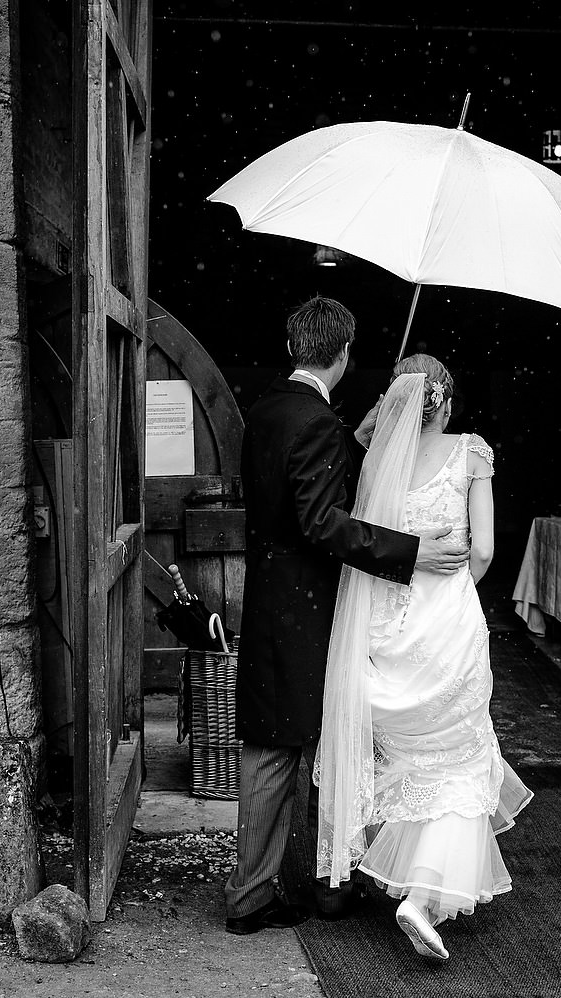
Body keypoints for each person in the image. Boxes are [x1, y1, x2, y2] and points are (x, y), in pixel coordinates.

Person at [224, 300, 470, 936]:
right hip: (300, 608)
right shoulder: (314, 422)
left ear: (293, 345)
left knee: (281, 740)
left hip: (272, 596)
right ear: (344, 355)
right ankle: (258, 895)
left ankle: (293, 882)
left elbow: (294, 493)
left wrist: (353, 443)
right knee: (289, 746)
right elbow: (321, 521)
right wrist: (414, 554)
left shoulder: (269, 408)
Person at [316, 354, 532, 961]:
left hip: (390, 625)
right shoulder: (471, 452)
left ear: (398, 401)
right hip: (448, 626)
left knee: (415, 763)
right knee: (461, 761)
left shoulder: (379, 460)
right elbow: (484, 550)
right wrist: (457, 588)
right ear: (448, 399)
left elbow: (369, 534)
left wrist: (385, 417)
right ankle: (424, 895)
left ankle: (413, 882)